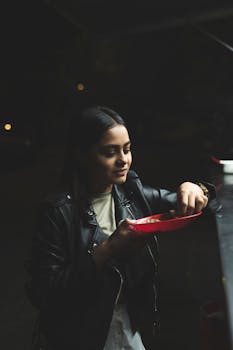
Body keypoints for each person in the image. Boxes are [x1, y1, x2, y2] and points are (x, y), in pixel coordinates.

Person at [26, 106, 215, 350]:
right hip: (78, 336)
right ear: (81, 155)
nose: (123, 160)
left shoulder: (132, 193)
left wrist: (198, 188)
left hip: (126, 326)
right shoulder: (57, 211)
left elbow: (198, 203)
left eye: (127, 149)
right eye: (110, 152)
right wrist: (108, 249)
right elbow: (45, 293)